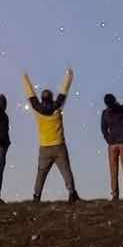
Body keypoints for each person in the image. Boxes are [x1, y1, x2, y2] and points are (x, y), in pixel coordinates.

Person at [22, 67, 80, 202]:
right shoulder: (57, 108)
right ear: (52, 98)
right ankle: (72, 194)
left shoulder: (37, 109)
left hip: (44, 147)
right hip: (59, 146)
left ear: (42, 99)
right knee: (66, 171)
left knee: (41, 173)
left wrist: (25, 78)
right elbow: (63, 92)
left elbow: (30, 95)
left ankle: (36, 197)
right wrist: (69, 77)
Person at [100, 81, 123, 200]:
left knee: (113, 170)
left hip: (112, 143)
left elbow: (103, 128)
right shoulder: (121, 109)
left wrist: (108, 139)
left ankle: (115, 194)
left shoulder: (105, 113)